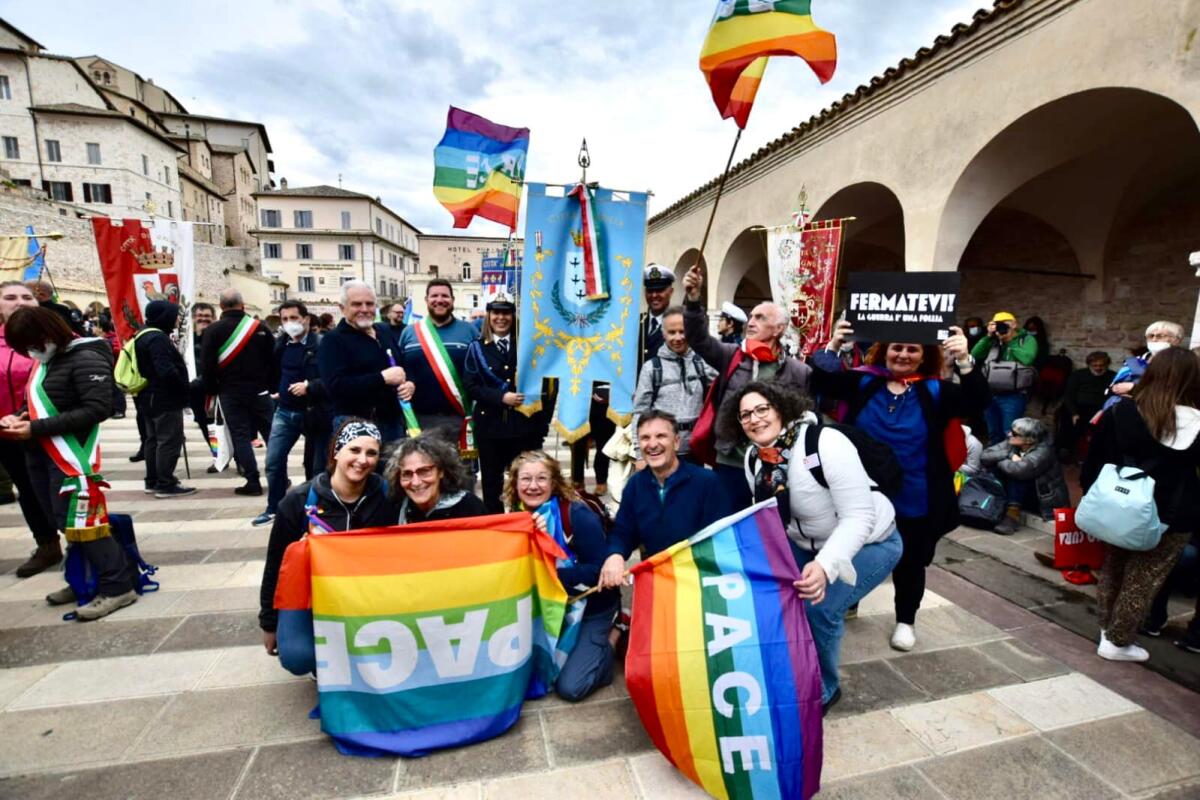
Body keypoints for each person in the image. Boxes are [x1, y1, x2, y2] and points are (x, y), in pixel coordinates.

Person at [720, 381, 901, 713]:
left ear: (781, 408)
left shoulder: (825, 443)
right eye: (745, 415)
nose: (754, 419)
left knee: (819, 608)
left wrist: (825, 566)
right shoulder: (753, 459)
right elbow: (769, 516)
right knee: (774, 596)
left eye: (762, 409)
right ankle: (792, 666)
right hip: (806, 542)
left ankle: (825, 687)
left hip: (873, 540)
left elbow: (858, 517)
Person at [816, 320, 988, 651]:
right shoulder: (865, 381)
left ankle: (905, 620)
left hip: (915, 492)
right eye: (897, 347)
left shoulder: (935, 391)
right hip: (862, 492)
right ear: (885, 351)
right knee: (850, 550)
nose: (903, 354)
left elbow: (977, 402)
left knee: (910, 561)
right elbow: (822, 380)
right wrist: (835, 344)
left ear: (924, 355)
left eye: (912, 349)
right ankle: (847, 604)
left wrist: (966, 360)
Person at [1, 307, 134, 620]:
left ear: (49, 335)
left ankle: (117, 586)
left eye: (31, 345)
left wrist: (35, 428)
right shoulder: (48, 361)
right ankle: (83, 579)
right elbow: (39, 399)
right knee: (64, 522)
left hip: (71, 454)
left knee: (83, 522)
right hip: (41, 452)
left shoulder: (85, 356)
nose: (30, 353)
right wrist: (21, 416)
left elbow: (97, 408)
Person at [1082, 347, 1200, 662]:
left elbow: (1095, 460)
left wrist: (1092, 495)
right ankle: (1117, 640)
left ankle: (1107, 630)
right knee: (1145, 576)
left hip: (1121, 501)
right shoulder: (1197, 421)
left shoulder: (1121, 411)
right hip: (1173, 511)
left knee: (1114, 566)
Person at [258, 418, 398, 655]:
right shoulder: (298, 501)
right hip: (315, 597)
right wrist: (269, 624)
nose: (362, 460)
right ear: (336, 451)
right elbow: (275, 564)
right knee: (297, 655)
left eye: (371, 453)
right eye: (354, 449)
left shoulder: (390, 496)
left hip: (371, 595)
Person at [681, 263, 811, 508]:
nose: (751, 321)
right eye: (751, 316)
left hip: (775, 463)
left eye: (760, 318)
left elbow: (802, 419)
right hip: (731, 462)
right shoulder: (732, 355)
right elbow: (697, 338)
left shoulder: (798, 371)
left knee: (771, 526)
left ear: (779, 329)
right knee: (729, 524)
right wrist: (693, 299)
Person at [505, 451, 622, 701]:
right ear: (514, 484)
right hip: (548, 609)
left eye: (541, 479)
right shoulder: (515, 515)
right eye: (525, 479)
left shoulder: (575, 515)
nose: (533, 486)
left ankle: (615, 633)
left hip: (592, 606)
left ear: (554, 482)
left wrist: (549, 573)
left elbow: (598, 569)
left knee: (571, 687)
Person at [598, 411, 729, 590]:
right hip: (657, 581)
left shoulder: (707, 482)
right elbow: (623, 531)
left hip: (700, 581)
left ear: (676, 442)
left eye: (661, 436)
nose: (652, 444)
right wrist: (615, 554)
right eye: (645, 438)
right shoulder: (636, 485)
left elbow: (721, 540)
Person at [464, 294, 549, 514]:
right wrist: (500, 397)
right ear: (489, 316)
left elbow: (544, 387)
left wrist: (541, 427)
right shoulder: (477, 348)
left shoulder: (528, 347)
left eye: (506, 312)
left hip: (523, 428)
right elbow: (471, 386)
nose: (501, 318)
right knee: (492, 485)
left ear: (513, 315)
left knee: (525, 482)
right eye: (496, 312)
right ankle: (497, 529)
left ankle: (524, 526)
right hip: (490, 428)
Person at [253, 301, 332, 527]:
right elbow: (274, 369)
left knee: (317, 467)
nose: (289, 323)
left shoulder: (322, 345)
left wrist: (310, 386)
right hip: (285, 412)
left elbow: (332, 380)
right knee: (274, 460)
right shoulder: (281, 344)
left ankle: (315, 508)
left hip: (315, 412)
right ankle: (274, 507)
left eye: (294, 318)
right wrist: (276, 389)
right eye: (285, 319)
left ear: (306, 319)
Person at [0, 282, 60, 577]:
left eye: (26, 297)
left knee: (57, 487)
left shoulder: (55, 339)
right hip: (6, 432)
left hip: (48, 427)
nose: (19, 302)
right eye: (10, 297)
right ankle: (47, 544)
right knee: (27, 489)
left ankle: (84, 541)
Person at [201, 290, 275, 495]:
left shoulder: (213, 330)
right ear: (243, 306)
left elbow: (207, 365)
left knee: (241, 437)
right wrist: (270, 385)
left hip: (230, 392)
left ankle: (252, 482)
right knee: (271, 435)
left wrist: (212, 389)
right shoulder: (259, 328)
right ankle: (279, 477)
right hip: (260, 391)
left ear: (221, 307)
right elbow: (273, 360)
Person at [317, 281, 410, 442]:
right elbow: (334, 386)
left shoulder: (384, 331)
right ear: (342, 308)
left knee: (392, 467)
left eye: (369, 304)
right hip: (355, 424)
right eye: (357, 304)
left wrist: (409, 384)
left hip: (392, 422)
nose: (364, 309)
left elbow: (402, 366)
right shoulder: (333, 340)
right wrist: (381, 378)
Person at [399, 280, 479, 448]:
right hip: (421, 419)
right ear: (426, 300)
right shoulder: (409, 332)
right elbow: (401, 369)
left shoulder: (470, 330)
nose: (440, 300)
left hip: (460, 418)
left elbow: (480, 370)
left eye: (445, 296)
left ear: (452, 300)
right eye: (434, 295)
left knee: (462, 473)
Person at [630, 305, 715, 457]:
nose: (677, 338)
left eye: (682, 332)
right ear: (663, 333)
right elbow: (639, 412)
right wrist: (639, 453)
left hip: (695, 450)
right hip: (662, 452)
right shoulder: (651, 368)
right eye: (672, 332)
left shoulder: (703, 364)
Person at [135, 300, 195, 498]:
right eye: (175, 315)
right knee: (168, 440)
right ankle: (165, 483)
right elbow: (165, 370)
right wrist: (183, 388)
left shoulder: (143, 335)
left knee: (153, 440)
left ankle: (152, 480)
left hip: (149, 396)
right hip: (164, 398)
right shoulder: (157, 338)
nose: (178, 319)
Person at [980, 417, 1069, 534]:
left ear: (1029, 440)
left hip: (1041, 500)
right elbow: (985, 455)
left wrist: (1001, 458)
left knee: (1017, 476)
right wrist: (1009, 455)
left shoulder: (1044, 452)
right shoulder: (1012, 443)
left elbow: (1019, 471)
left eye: (1015, 433)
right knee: (994, 469)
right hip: (1020, 490)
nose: (1009, 434)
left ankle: (1012, 516)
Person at [971, 311, 1039, 444]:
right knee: (993, 432)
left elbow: (1027, 358)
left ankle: (1009, 463)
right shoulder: (993, 340)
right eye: (998, 325)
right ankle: (993, 462)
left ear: (1014, 324)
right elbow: (974, 354)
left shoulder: (1026, 339)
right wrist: (988, 336)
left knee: (1010, 433)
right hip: (991, 393)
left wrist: (1009, 341)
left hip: (1013, 395)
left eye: (1005, 324)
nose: (1002, 328)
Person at [387, 434, 488, 523]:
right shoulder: (394, 510)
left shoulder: (469, 507)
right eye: (407, 474)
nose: (416, 482)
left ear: (441, 472)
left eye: (424, 471)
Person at [1104, 321, 1185, 411]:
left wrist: (1133, 388)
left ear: (1176, 340)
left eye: (1160, 336)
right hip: (1122, 410)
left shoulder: (1181, 363)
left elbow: (1173, 393)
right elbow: (1110, 389)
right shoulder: (1135, 362)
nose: (1154, 340)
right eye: (1151, 336)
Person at [1059, 351, 1115, 461]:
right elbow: (1069, 395)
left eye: (1101, 365)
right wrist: (1074, 413)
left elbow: (1113, 396)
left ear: (1107, 365)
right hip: (1079, 407)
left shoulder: (1112, 376)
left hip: (1101, 408)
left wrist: (1103, 411)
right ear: (1089, 365)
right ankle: (1065, 449)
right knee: (1066, 415)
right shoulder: (1078, 375)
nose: (1098, 368)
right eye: (1095, 365)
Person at [188, 303, 216, 461]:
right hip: (196, 392)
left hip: (217, 389)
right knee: (207, 428)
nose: (203, 319)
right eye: (200, 316)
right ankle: (218, 457)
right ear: (193, 318)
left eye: (207, 316)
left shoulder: (218, 336)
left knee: (227, 427)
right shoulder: (187, 341)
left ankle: (240, 460)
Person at [639, 264, 675, 369]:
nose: (654, 295)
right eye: (650, 291)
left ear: (671, 292)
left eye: (659, 290)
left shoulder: (678, 325)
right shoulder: (635, 323)